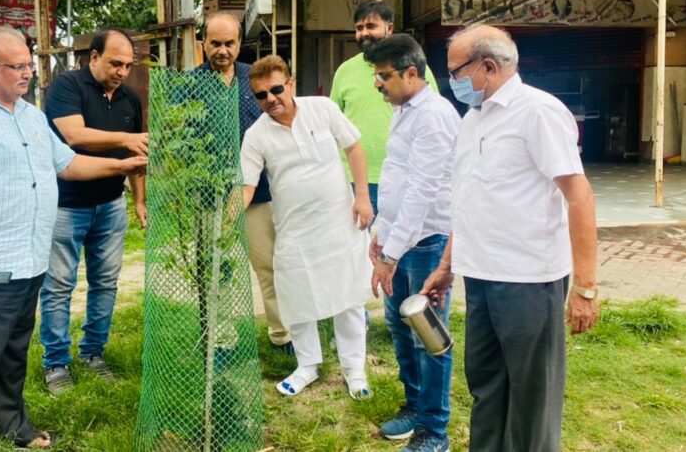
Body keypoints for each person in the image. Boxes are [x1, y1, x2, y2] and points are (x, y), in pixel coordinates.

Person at [0, 27, 146, 452]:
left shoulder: (32, 117)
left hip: (25, 262)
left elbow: (69, 165)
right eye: (17, 66)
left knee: (11, 353)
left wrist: (125, 165)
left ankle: (12, 424)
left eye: (28, 65)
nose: (27, 73)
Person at [422, 24, 600, 452]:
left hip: (528, 281)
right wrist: (447, 266)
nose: (452, 81)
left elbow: (579, 196)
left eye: (456, 72)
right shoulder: (474, 119)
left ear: (487, 66)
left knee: (531, 398)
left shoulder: (537, 112)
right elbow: (469, 199)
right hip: (480, 276)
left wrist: (586, 287)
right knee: (486, 385)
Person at [240, 55, 374, 399]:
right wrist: (224, 219)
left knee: (347, 296)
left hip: (339, 221)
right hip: (294, 230)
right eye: (261, 95)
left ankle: (354, 370)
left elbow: (354, 147)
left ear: (291, 83)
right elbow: (246, 187)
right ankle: (307, 366)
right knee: (296, 296)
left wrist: (362, 196)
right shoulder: (256, 135)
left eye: (276, 89)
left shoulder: (322, 108)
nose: (270, 99)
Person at [38, 28, 147, 394]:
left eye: (128, 66)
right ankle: (56, 363)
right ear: (94, 57)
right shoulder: (67, 87)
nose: (122, 72)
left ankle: (93, 354)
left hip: (111, 206)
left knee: (105, 283)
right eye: (115, 63)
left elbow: (136, 156)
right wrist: (127, 138)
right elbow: (75, 135)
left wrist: (139, 200)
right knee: (58, 286)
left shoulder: (130, 99)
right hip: (66, 205)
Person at [366, 34, 460, 452]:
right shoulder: (404, 109)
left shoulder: (434, 116)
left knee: (428, 336)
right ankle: (415, 406)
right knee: (400, 329)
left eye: (384, 76)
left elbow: (422, 191)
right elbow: (396, 176)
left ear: (410, 73)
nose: (378, 84)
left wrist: (390, 253)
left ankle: (434, 431)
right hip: (398, 239)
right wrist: (381, 233)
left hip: (426, 243)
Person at [194, 12, 293, 354]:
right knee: (216, 271)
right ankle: (221, 340)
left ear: (239, 43)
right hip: (210, 196)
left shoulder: (254, 80)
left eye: (229, 43)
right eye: (215, 43)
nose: (222, 50)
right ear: (204, 43)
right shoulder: (189, 86)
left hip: (259, 193)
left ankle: (283, 335)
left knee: (270, 265)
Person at [330, 0, 439, 216]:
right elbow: (333, 123)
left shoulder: (412, 68)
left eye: (371, 26)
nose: (364, 33)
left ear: (389, 28)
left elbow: (430, 116)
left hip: (402, 176)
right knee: (358, 238)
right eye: (359, 28)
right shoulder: (345, 70)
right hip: (354, 180)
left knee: (399, 235)